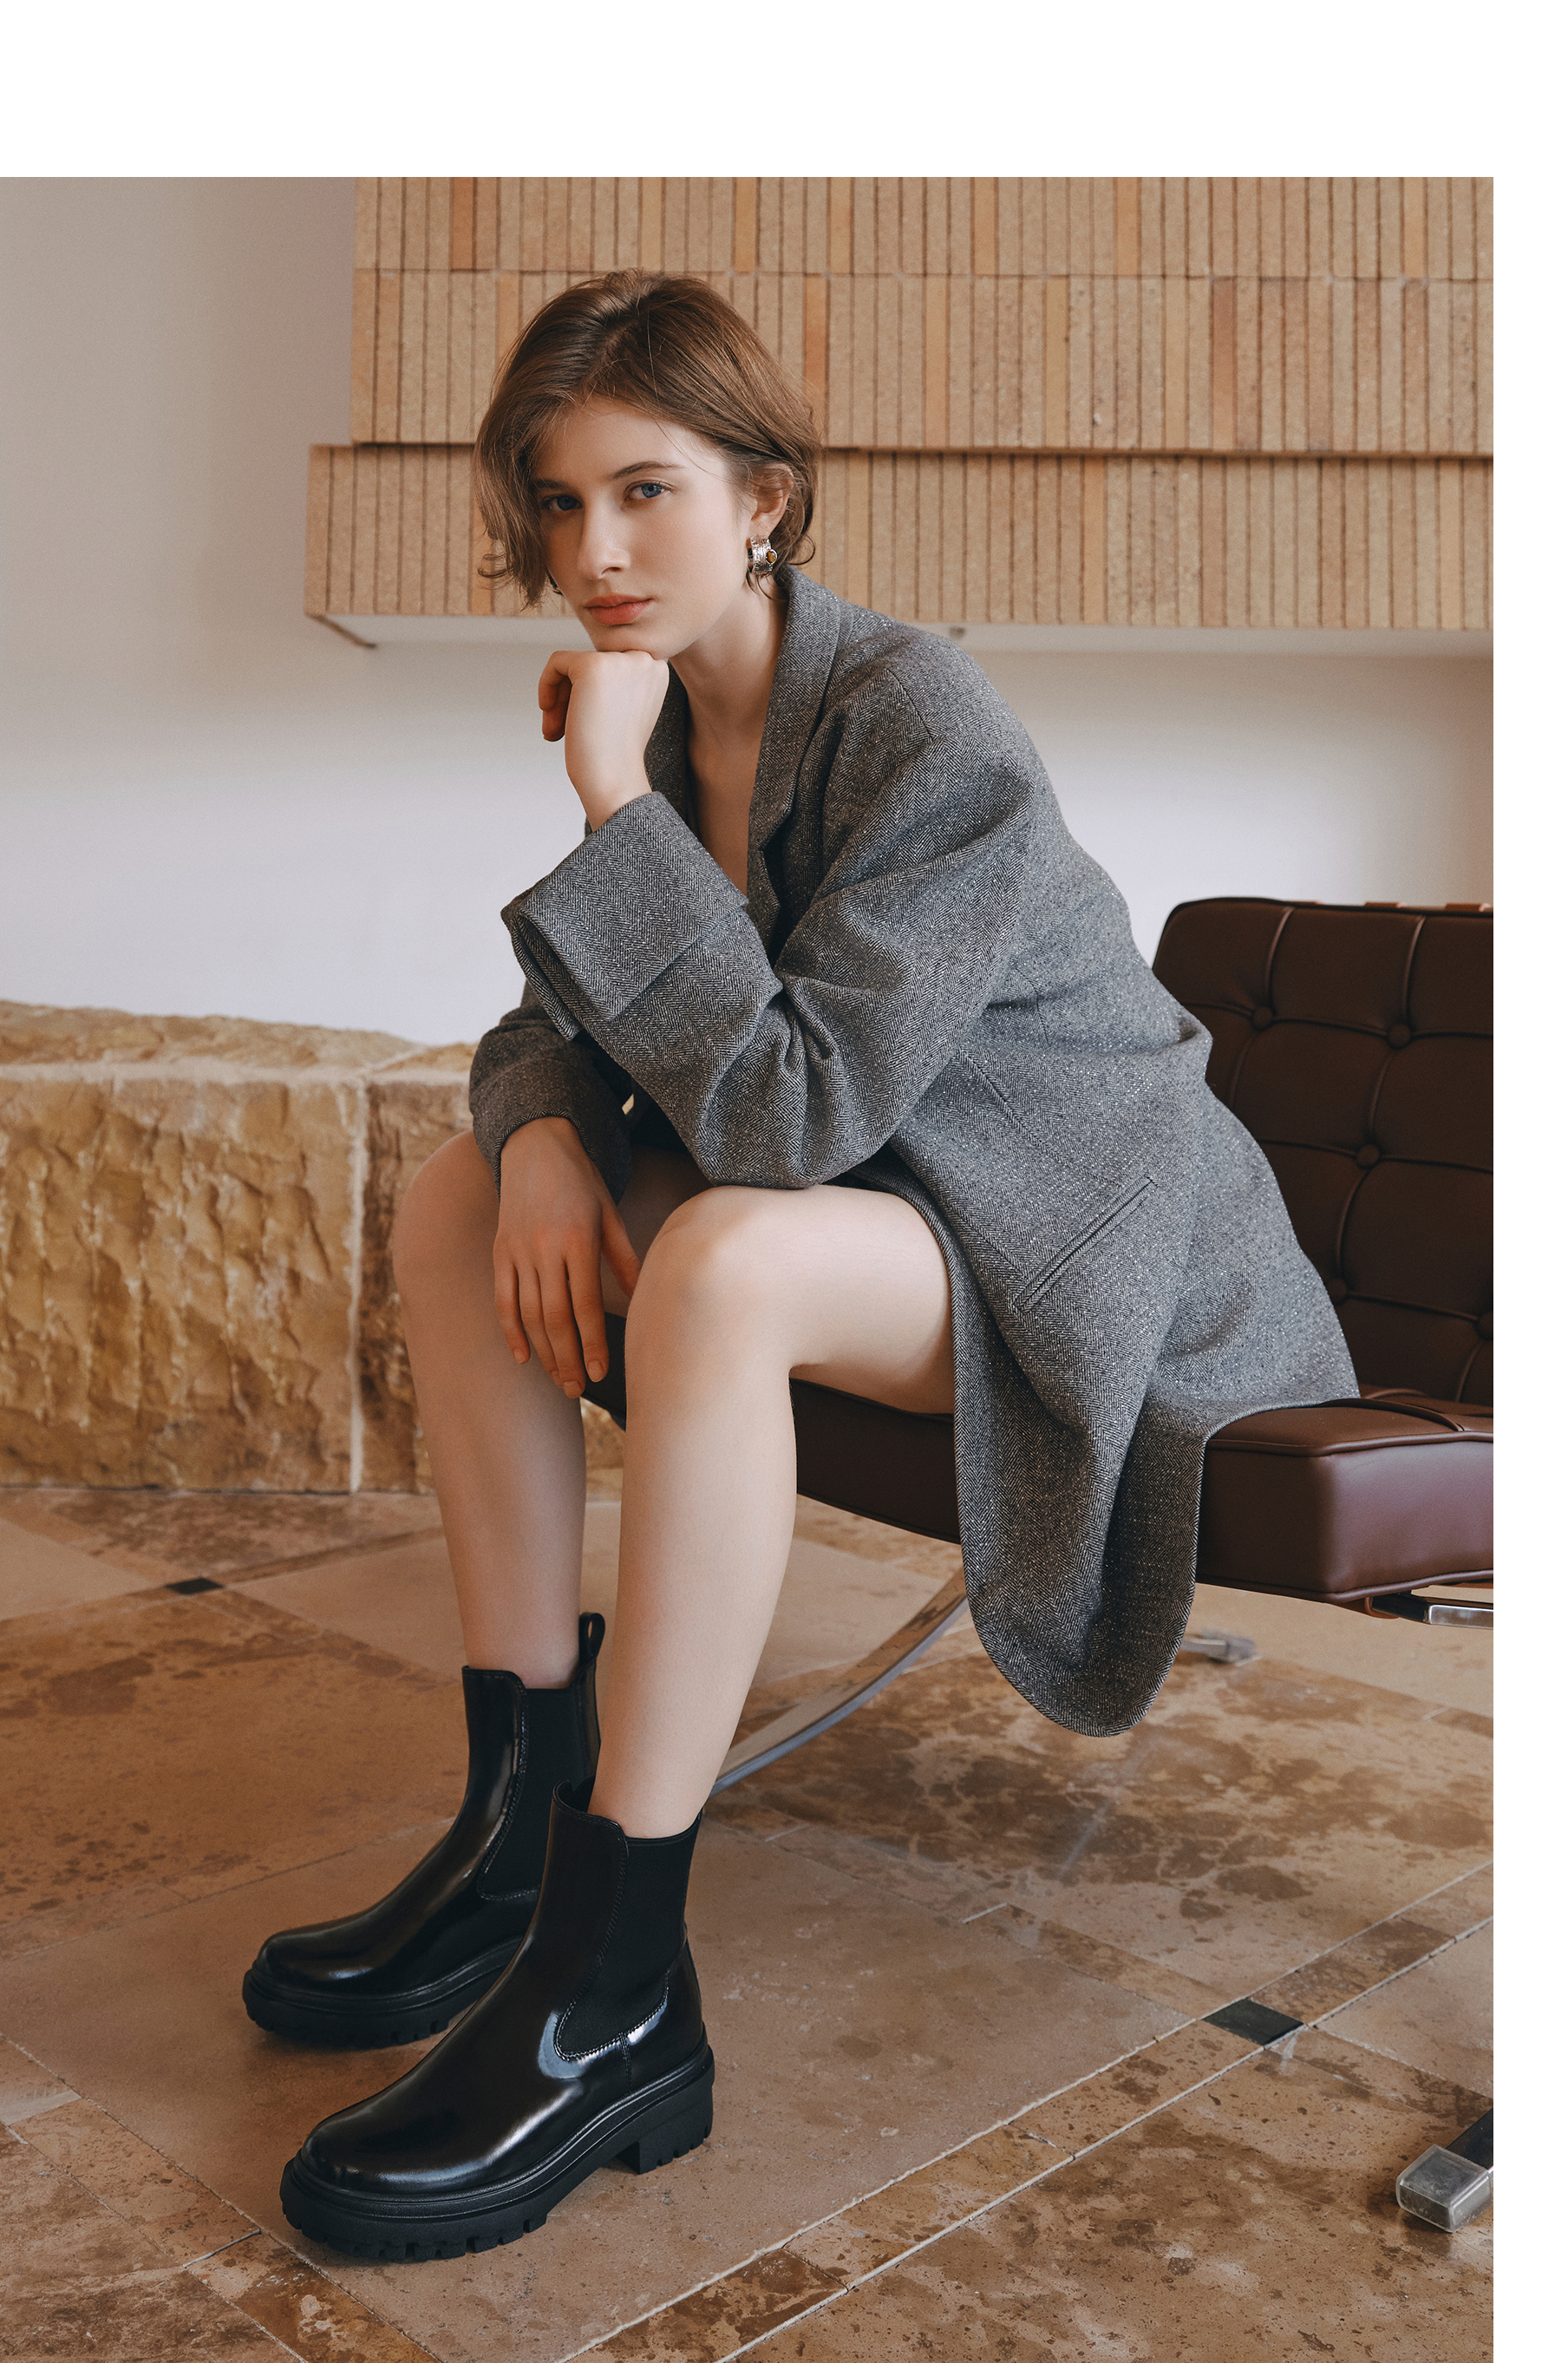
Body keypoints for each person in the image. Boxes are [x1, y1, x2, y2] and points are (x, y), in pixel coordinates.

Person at [245, 272, 1357, 2261]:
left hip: (1097, 1239)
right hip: (894, 1199)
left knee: (727, 1262)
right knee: (450, 1197)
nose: (594, 552)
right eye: (560, 501)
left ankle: (614, 1987)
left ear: (761, 497)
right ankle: (511, 1838)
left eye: (645, 492)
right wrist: (538, 1140)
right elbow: (556, 1021)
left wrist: (606, 802)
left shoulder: (917, 720)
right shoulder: (679, 713)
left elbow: (786, 1115)